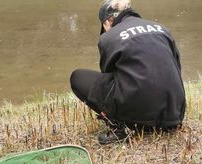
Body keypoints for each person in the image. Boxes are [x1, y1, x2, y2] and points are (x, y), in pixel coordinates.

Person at [70, 0, 186, 144]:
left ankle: (118, 128)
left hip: (138, 117)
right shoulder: (162, 28)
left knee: (77, 77)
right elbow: (176, 68)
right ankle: (165, 122)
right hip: (174, 115)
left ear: (108, 20)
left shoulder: (108, 38)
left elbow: (109, 73)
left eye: (104, 26)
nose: (106, 30)